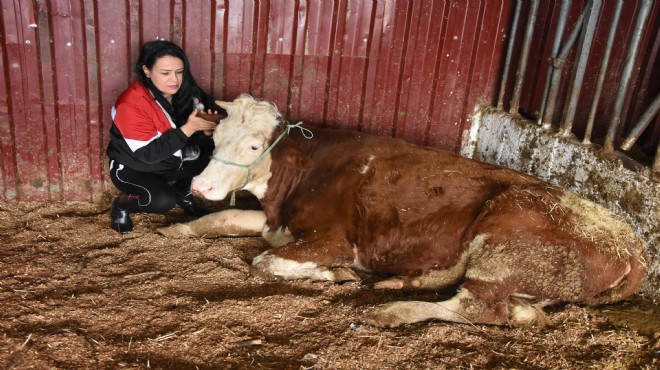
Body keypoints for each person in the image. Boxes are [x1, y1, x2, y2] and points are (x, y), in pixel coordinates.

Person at [107, 40, 222, 234]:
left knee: (215, 155)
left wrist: (206, 132)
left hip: (171, 162)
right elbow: (148, 154)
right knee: (161, 201)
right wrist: (188, 128)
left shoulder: (190, 94)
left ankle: (183, 193)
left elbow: (199, 142)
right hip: (134, 167)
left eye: (179, 71)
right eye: (165, 73)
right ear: (147, 71)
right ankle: (122, 205)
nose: (174, 79)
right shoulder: (131, 103)